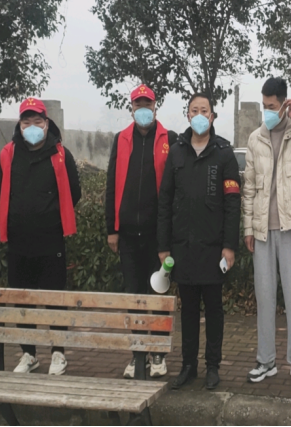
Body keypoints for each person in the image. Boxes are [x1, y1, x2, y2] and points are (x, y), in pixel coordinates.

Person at [157, 93, 241, 390]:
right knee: (188, 310)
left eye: (204, 110)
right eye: (194, 110)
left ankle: (212, 366)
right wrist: (163, 246)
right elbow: (165, 200)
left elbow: (232, 203)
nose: (199, 115)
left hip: (213, 248)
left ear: (212, 116)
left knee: (214, 309)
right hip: (183, 247)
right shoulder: (176, 152)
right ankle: (188, 366)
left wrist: (229, 245)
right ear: (188, 115)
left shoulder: (224, 153)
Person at [0, 98, 81, 375]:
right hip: (18, 241)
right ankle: (29, 353)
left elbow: (74, 192)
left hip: (51, 240)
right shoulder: (8, 154)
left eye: (37, 121)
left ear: (46, 123)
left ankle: (58, 352)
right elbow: (0, 190)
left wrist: (51, 214)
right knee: (22, 299)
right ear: (19, 125)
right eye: (26, 122)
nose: (32, 126)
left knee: (55, 297)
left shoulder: (61, 154)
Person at [243, 77, 291, 386]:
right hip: (262, 229)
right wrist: (248, 228)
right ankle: (266, 360)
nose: (267, 112)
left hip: (290, 228)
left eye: (272, 106)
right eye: (264, 106)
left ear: (285, 104)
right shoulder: (255, 138)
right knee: (264, 297)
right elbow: (249, 187)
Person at [105, 84, 178, 379]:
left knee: (157, 294)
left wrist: (168, 235)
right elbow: (112, 184)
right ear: (132, 108)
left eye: (147, 104)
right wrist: (112, 229)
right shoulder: (121, 139)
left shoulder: (169, 139)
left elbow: (174, 189)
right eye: (138, 105)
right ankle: (137, 354)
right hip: (127, 235)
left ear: (155, 107)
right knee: (133, 295)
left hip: (157, 236)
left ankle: (157, 353)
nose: (143, 109)